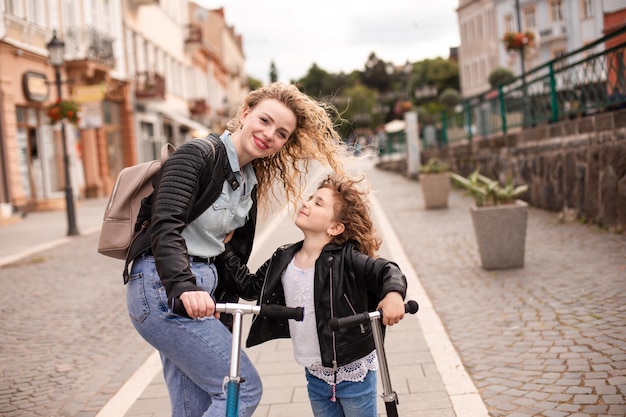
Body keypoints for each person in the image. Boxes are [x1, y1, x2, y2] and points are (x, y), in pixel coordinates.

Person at [124, 82, 347, 417]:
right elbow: (165, 226)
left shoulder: (247, 181)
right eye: (265, 120)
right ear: (245, 114)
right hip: (162, 287)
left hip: (200, 293)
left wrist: (304, 249)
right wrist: (185, 288)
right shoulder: (196, 155)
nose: (270, 134)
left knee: (194, 407)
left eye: (282, 133)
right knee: (240, 389)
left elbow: (234, 266)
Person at [218, 174, 408, 417]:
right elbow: (250, 286)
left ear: (335, 227)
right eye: (310, 198)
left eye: (318, 203)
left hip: (354, 374)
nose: (306, 203)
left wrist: (393, 294)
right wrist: (224, 249)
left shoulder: (347, 259)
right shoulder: (283, 257)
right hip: (315, 374)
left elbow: (387, 270)